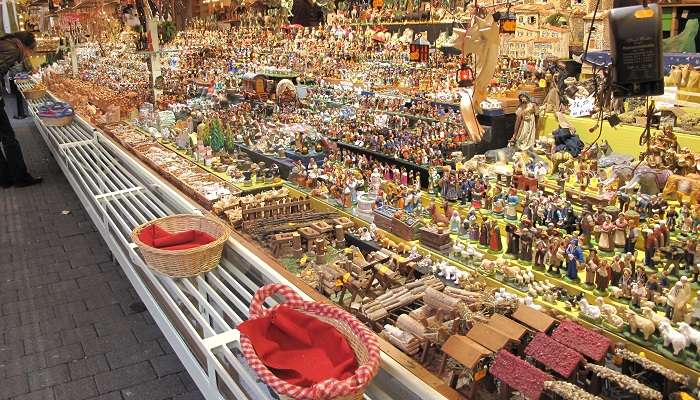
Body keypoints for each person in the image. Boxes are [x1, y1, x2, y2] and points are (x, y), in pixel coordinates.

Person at [0, 31, 41, 188]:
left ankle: (5, 178)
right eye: (31, 51)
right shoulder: (13, 49)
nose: (30, 55)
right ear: (26, 47)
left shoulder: (9, 45)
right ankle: (19, 177)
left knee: (6, 136)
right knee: (8, 137)